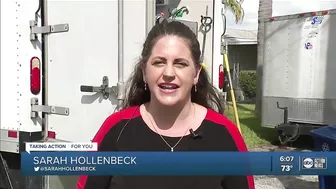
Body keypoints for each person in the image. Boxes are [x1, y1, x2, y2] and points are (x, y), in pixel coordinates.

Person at [75, 20, 255, 189]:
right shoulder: (116, 130)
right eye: (159, 62)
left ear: (196, 74)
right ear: (145, 71)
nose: (168, 72)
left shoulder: (224, 135)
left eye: (180, 64)